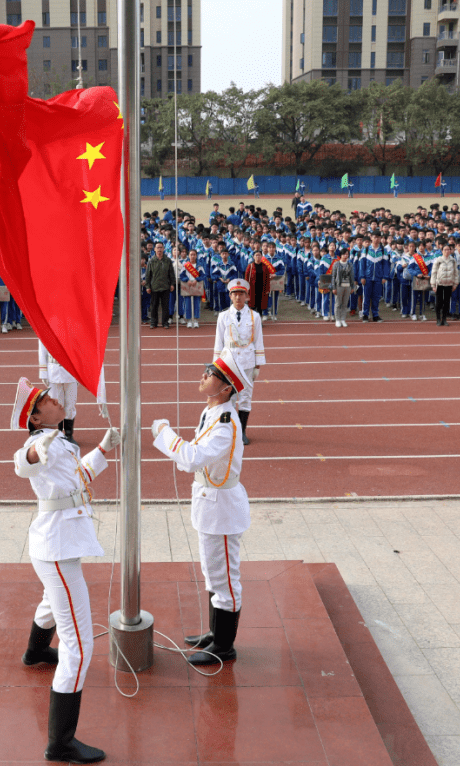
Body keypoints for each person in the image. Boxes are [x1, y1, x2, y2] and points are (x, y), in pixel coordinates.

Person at [11, 377, 120, 765]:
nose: (57, 399)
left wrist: (104, 450)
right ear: (37, 416)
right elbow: (23, 464)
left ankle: (34, 652)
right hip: (57, 546)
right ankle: (60, 743)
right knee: (79, 644)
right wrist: (36, 450)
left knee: (50, 601)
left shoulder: (60, 441)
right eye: (47, 399)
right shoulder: (39, 443)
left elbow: (77, 484)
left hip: (56, 544)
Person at [150, 348, 253, 666]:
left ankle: (224, 645)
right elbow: (193, 456)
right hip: (209, 503)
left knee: (225, 578)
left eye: (212, 373)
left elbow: (193, 457)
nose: (204, 375)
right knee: (212, 573)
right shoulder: (211, 412)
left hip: (221, 508)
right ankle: (215, 632)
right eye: (207, 369)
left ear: (226, 388)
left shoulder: (225, 422)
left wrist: (165, 434)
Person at [213, 279, 265, 446]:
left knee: (245, 397)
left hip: (247, 361)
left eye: (241, 294)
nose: (238, 297)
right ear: (230, 296)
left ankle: (241, 431)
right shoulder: (223, 316)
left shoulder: (254, 316)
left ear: (247, 296)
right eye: (235, 293)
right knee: (228, 397)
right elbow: (218, 341)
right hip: (229, 362)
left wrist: (258, 364)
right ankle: (228, 432)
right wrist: (216, 365)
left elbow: (258, 340)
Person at [144, 244, 176, 328]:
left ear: (164, 249)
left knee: (165, 306)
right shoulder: (151, 261)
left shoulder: (168, 260)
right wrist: (147, 286)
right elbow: (148, 275)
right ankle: (153, 322)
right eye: (157, 247)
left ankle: (165, 323)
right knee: (154, 305)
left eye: (161, 247)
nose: (159, 249)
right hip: (154, 287)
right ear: (154, 249)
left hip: (165, 286)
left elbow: (171, 273)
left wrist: (172, 284)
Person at [430, 242, 459, 327]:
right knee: (439, 302)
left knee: (446, 303)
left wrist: (455, 284)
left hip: (449, 284)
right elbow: (434, 273)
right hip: (439, 284)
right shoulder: (438, 260)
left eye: (448, 249)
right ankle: (438, 319)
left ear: (451, 251)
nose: (447, 251)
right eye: (445, 249)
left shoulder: (453, 261)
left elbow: (455, 273)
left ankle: (444, 319)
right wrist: (433, 285)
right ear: (442, 251)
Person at [331, 250, 355, 327]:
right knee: (338, 303)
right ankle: (337, 319)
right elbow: (333, 276)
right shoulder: (336, 264)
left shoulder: (350, 264)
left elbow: (352, 276)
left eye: (347, 254)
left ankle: (343, 319)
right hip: (339, 286)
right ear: (341, 255)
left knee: (345, 304)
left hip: (347, 286)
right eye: (344, 254)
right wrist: (333, 287)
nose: (345, 255)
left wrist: (352, 287)